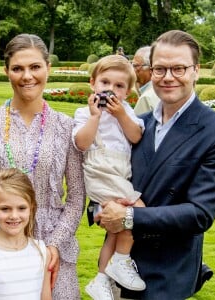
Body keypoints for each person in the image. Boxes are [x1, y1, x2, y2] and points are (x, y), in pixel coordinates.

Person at [97, 30, 215, 300]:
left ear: (196, 70)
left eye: (179, 68)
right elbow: (107, 171)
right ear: (150, 72)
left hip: (166, 274)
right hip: (115, 268)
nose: (168, 77)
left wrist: (127, 217)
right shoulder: (136, 124)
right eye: (160, 69)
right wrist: (98, 207)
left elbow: (199, 213)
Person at [0, 33, 86, 300]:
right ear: (6, 71)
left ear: (48, 68)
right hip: (2, 242)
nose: (27, 76)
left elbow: (77, 195)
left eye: (35, 67)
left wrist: (55, 244)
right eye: (18, 68)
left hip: (54, 246)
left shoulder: (67, 128)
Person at [72, 55, 146, 300]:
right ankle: (122, 262)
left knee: (115, 231)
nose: (110, 90)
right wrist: (95, 117)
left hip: (119, 175)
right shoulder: (84, 113)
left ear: (128, 92)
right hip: (99, 174)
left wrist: (121, 116)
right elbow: (81, 144)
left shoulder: (127, 112)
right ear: (93, 83)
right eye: (105, 83)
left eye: (119, 86)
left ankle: (102, 279)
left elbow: (136, 136)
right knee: (137, 212)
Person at [0, 168, 52, 300]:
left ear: (31, 209)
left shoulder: (42, 252)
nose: (14, 216)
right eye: (5, 209)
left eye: (21, 208)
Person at [132, 46, 160, 115]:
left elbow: (137, 125)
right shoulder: (163, 90)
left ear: (150, 69)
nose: (133, 70)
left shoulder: (146, 98)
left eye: (136, 66)